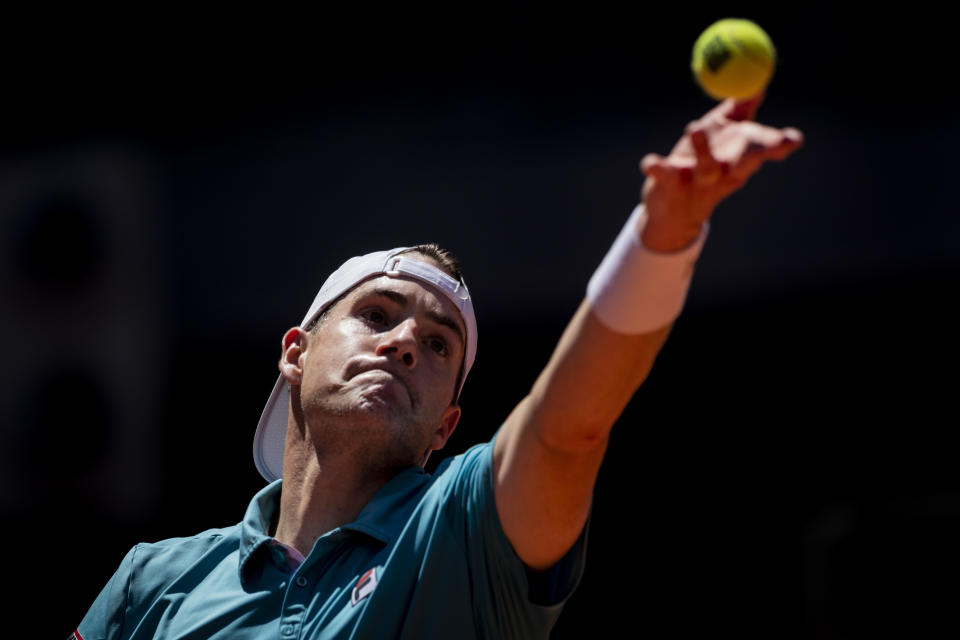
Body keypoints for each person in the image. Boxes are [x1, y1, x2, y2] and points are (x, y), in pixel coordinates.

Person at [73, 94, 802, 639]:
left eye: (439, 344)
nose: (405, 344)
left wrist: (663, 235)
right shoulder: (152, 582)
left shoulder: (463, 533)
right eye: (378, 315)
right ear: (295, 353)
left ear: (445, 426)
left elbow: (566, 429)